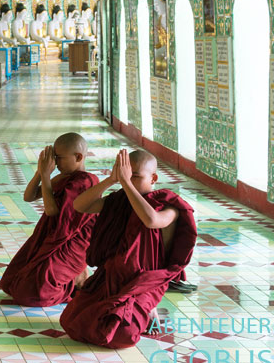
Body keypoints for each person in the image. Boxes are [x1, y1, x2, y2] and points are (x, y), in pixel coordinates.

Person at [60, 149, 197, 349]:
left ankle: (148, 306)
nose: (129, 181)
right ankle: (146, 308)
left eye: (135, 176)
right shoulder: (120, 200)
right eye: (126, 174)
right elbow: (81, 205)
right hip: (111, 275)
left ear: (154, 178)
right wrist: (111, 180)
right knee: (71, 321)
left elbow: (151, 220)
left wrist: (125, 183)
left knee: (121, 334)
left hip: (144, 280)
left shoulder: (168, 205)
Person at [0, 133, 98, 306]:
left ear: (78, 157)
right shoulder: (63, 177)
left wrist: (45, 175)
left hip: (71, 241)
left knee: (32, 294)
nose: (55, 163)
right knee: (10, 281)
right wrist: (40, 172)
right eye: (54, 158)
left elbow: (52, 211)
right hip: (51, 237)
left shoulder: (86, 181)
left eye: (58, 158)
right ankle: (75, 277)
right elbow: (28, 197)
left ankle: (73, 283)